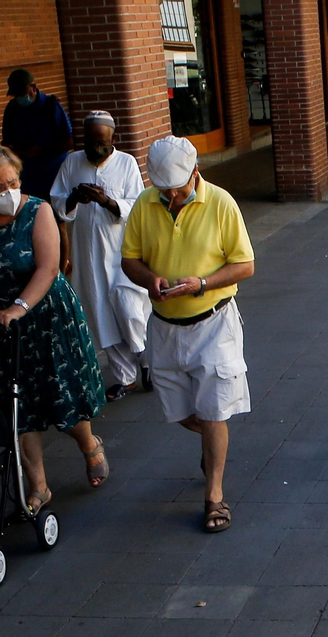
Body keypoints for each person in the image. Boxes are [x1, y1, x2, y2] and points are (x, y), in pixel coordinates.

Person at [0, 144, 108, 512]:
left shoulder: (37, 210)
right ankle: (39, 486)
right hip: (0, 323)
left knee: (61, 398)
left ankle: (89, 444)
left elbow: (48, 267)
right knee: (16, 407)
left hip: (45, 315)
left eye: (13, 182)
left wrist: (18, 307)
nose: (8, 192)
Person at [120, 137, 255, 533]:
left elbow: (245, 265)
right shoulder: (145, 204)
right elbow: (129, 260)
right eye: (166, 190)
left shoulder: (221, 203)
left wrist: (203, 283)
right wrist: (150, 280)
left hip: (214, 323)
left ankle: (215, 495)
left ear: (195, 172)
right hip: (164, 325)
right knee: (181, 412)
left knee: (214, 410)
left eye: (178, 188)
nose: (173, 196)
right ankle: (214, 442)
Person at [50, 111, 151, 403]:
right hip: (88, 253)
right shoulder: (71, 162)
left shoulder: (126, 163)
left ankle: (147, 362)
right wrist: (74, 199)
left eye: (102, 142)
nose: (96, 148)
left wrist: (107, 201)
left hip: (123, 251)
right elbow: (56, 202)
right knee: (101, 315)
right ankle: (125, 378)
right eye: (91, 142)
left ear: (113, 140)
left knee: (130, 308)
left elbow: (137, 205)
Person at [0, 69, 74, 200]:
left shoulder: (51, 106)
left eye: (21, 93)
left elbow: (69, 141)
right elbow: (6, 144)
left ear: (33, 88)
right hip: (28, 175)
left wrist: (41, 150)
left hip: (54, 172)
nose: (19, 98)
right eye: (15, 95)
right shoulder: (12, 109)